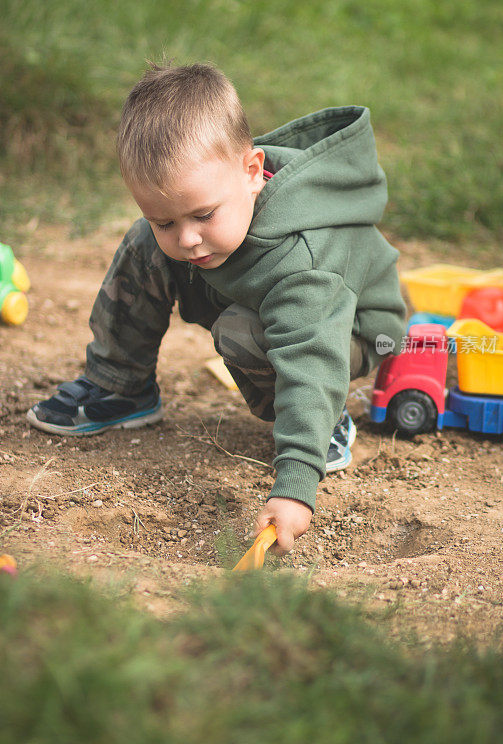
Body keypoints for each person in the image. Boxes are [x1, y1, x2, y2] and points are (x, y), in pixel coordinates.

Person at [27, 63, 405, 554]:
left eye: (204, 214)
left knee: (243, 331)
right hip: (262, 296)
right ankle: (120, 387)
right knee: (147, 247)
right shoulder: (202, 224)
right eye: (165, 219)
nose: (186, 237)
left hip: (347, 333)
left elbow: (313, 357)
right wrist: (172, 229)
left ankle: (323, 420)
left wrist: (296, 484)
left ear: (253, 172)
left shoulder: (302, 265)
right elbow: (180, 232)